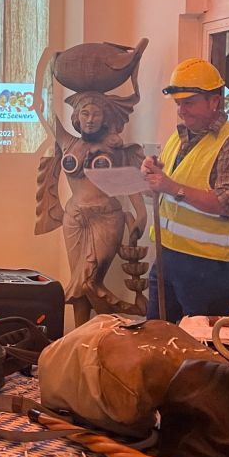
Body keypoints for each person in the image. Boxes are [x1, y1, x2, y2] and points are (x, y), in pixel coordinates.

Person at [142, 58, 229, 322]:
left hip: (209, 268)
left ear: (214, 101)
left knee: (203, 344)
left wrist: (171, 186)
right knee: (156, 337)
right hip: (167, 257)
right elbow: (168, 188)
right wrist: (153, 174)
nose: (181, 111)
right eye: (178, 103)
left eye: (189, 103)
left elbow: (227, 203)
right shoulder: (179, 137)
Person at [53, 93, 147, 326]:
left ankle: (107, 328)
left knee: (89, 280)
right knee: (79, 283)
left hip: (106, 217)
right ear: (77, 117)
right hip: (74, 218)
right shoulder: (68, 142)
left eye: (96, 114)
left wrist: (141, 212)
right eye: (85, 113)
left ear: (105, 119)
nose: (90, 119)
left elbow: (128, 182)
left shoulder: (115, 148)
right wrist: (39, 91)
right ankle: (81, 333)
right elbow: (46, 117)